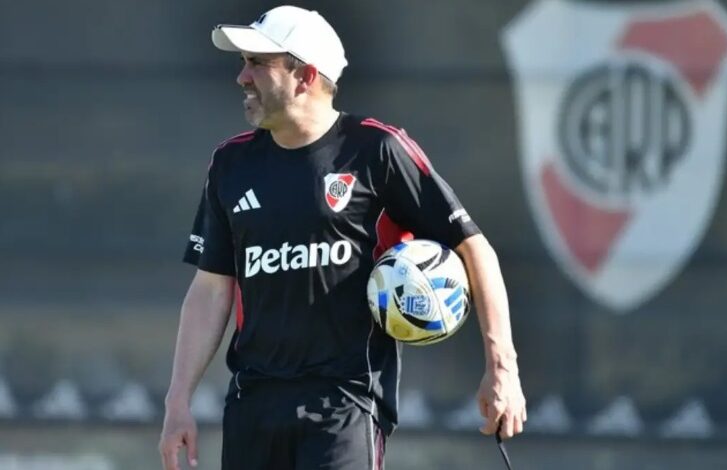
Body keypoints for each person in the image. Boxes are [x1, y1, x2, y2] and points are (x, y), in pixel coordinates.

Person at [159, 5, 526, 470]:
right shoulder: (230, 164)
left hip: (346, 402)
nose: (242, 77)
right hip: (252, 405)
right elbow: (211, 288)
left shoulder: (376, 150)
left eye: (257, 63)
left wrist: (502, 368)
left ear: (306, 76)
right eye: (243, 63)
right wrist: (178, 401)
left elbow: (474, 248)